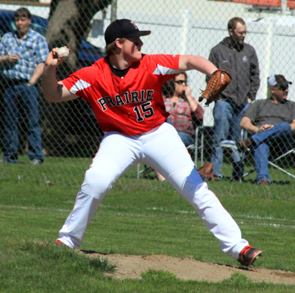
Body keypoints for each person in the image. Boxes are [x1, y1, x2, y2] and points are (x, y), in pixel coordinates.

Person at [42, 18, 262, 266]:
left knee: (195, 188)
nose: (141, 43)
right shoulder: (93, 74)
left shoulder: (150, 64)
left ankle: (239, 247)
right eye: (135, 39)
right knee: (95, 182)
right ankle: (68, 240)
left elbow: (189, 60)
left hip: (158, 133)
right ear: (118, 43)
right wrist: (50, 69)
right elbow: (52, 95)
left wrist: (213, 72)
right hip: (119, 138)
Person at [206, 17, 260, 181]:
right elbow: (210, 77)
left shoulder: (249, 51)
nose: (244, 35)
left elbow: (255, 76)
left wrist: (251, 97)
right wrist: (218, 97)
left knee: (239, 141)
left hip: (243, 103)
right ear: (231, 31)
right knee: (219, 138)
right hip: (224, 102)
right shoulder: (217, 51)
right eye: (240, 32)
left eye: (245, 32)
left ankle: (238, 175)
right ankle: (216, 173)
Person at [0, 7, 49, 164]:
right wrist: (6, 58)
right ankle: (9, 156)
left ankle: (36, 156)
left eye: (22, 20)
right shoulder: (7, 38)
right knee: (9, 122)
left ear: (29, 21)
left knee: (32, 122)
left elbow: (43, 62)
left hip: (27, 86)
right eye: (17, 20)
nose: (19, 23)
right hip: (9, 85)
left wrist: (31, 82)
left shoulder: (38, 39)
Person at [237, 74, 295, 186]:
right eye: (282, 88)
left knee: (285, 126)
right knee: (261, 143)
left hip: (282, 143)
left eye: (287, 87)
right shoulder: (259, 104)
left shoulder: (292, 106)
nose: (286, 90)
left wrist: (274, 129)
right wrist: (258, 130)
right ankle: (263, 179)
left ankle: (251, 141)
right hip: (262, 141)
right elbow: (244, 122)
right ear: (272, 90)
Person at [163, 72, 204, 147]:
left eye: (184, 82)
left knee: (176, 139)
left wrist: (188, 96)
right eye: (180, 82)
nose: (183, 85)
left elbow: (200, 114)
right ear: (171, 82)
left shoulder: (187, 100)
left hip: (184, 134)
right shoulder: (164, 99)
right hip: (165, 133)